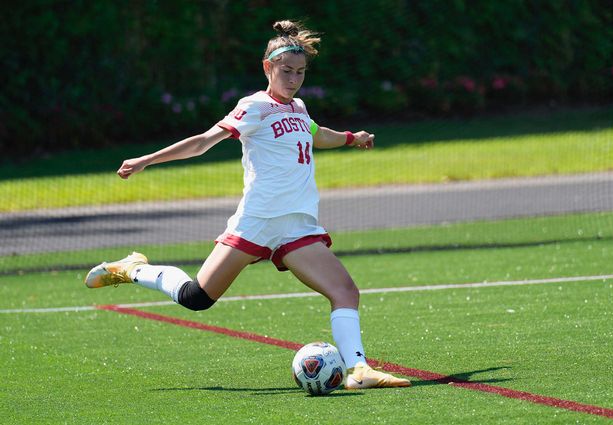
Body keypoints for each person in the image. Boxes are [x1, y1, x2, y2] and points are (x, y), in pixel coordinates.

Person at [85, 20, 410, 390]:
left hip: (297, 225)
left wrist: (352, 138)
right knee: (196, 298)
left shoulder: (300, 109)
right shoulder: (254, 106)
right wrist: (147, 159)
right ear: (267, 67)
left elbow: (319, 136)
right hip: (256, 222)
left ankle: (359, 370)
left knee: (345, 291)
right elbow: (203, 142)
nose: (294, 79)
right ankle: (131, 269)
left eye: (301, 72)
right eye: (286, 71)